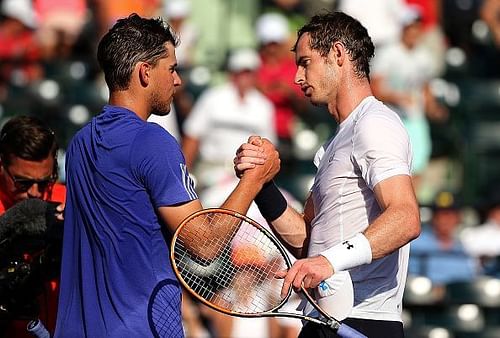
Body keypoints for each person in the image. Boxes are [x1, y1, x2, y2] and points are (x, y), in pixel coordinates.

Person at [55, 14, 277, 338]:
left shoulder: (79, 144)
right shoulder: (153, 142)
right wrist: (254, 180)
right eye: (171, 69)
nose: (177, 81)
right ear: (145, 72)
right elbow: (205, 244)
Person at [234, 11, 421, 338]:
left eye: (305, 62)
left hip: (363, 321)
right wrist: (262, 183)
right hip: (323, 320)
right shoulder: (337, 140)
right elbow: (308, 243)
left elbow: (405, 218)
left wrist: (328, 262)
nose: (296, 77)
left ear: (337, 54)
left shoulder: (374, 123)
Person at [370, 4, 448, 196]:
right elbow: (375, 88)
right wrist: (396, 97)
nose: (413, 31)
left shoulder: (424, 56)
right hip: (391, 117)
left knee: (418, 165)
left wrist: (432, 107)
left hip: (414, 118)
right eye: (410, 27)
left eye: (416, 27)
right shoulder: (388, 53)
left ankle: (413, 208)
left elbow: (425, 87)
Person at [0, 115, 66, 338]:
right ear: (1, 165)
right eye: (23, 182)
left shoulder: (66, 201)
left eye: (45, 181)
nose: (35, 192)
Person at [182, 47, 277, 191]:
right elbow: (192, 137)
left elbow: (269, 149)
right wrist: (183, 178)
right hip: (212, 172)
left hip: (248, 175)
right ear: (233, 73)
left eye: (249, 73)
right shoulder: (212, 98)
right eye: (241, 72)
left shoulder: (264, 106)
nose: (244, 78)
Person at [409, 190, 478, 285]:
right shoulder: (416, 244)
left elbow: (468, 279)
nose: (444, 220)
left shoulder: (462, 248)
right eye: (440, 214)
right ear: (433, 217)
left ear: (458, 218)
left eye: (450, 215)